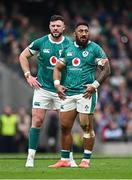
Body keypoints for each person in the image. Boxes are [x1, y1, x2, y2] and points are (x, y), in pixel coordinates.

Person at [48, 22, 111, 168]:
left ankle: (86, 160)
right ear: (75, 33)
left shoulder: (95, 49)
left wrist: (94, 85)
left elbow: (106, 69)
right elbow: (57, 68)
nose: (84, 33)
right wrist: (57, 85)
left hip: (85, 93)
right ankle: (65, 160)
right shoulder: (68, 48)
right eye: (81, 31)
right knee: (64, 127)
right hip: (68, 93)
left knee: (86, 126)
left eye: (86, 31)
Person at [19, 15, 77, 167]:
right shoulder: (41, 42)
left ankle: (69, 159)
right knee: (37, 120)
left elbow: (76, 66)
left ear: (64, 28)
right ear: (49, 27)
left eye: (58, 26)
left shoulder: (70, 44)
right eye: (53, 26)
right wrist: (28, 76)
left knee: (66, 125)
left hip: (61, 90)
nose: (55, 28)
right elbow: (23, 56)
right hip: (42, 88)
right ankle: (30, 158)